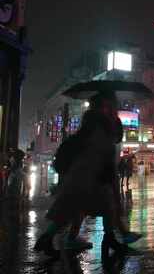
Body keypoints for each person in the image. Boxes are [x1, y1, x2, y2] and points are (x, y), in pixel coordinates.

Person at [34, 92, 142, 258]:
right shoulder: (101, 125)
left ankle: (50, 238)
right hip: (92, 176)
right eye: (112, 104)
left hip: (83, 175)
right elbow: (104, 153)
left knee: (74, 209)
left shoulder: (91, 122)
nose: (114, 107)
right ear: (105, 105)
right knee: (99, 206)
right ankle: (109, 239)